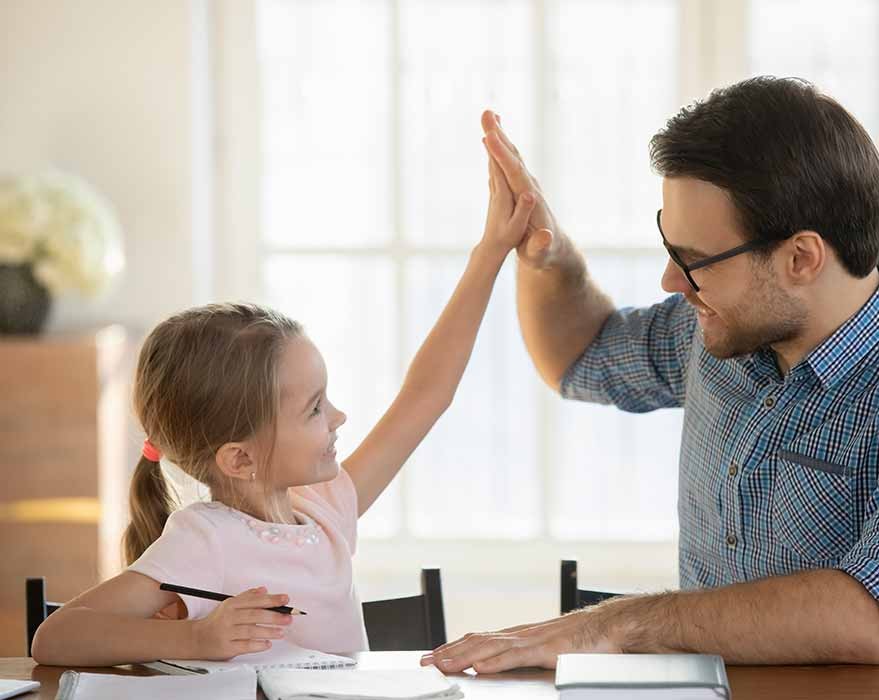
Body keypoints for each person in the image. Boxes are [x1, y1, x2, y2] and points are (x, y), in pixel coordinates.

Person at [421, 76, 879, 672]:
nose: (671, 282)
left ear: (801, 258)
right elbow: (580, 355)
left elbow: (873, 617)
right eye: (670, 246)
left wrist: (613, 624)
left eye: (696, 261)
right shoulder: (717, 331)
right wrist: (547, 253)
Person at [29, 148, 538, 666]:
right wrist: (195, 641)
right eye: (314, 409)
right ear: (240, 458)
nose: (338, 417)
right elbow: (55, 638)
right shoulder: (205, 539)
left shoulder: (327, 508)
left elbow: (426, 396)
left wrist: (491, 251)